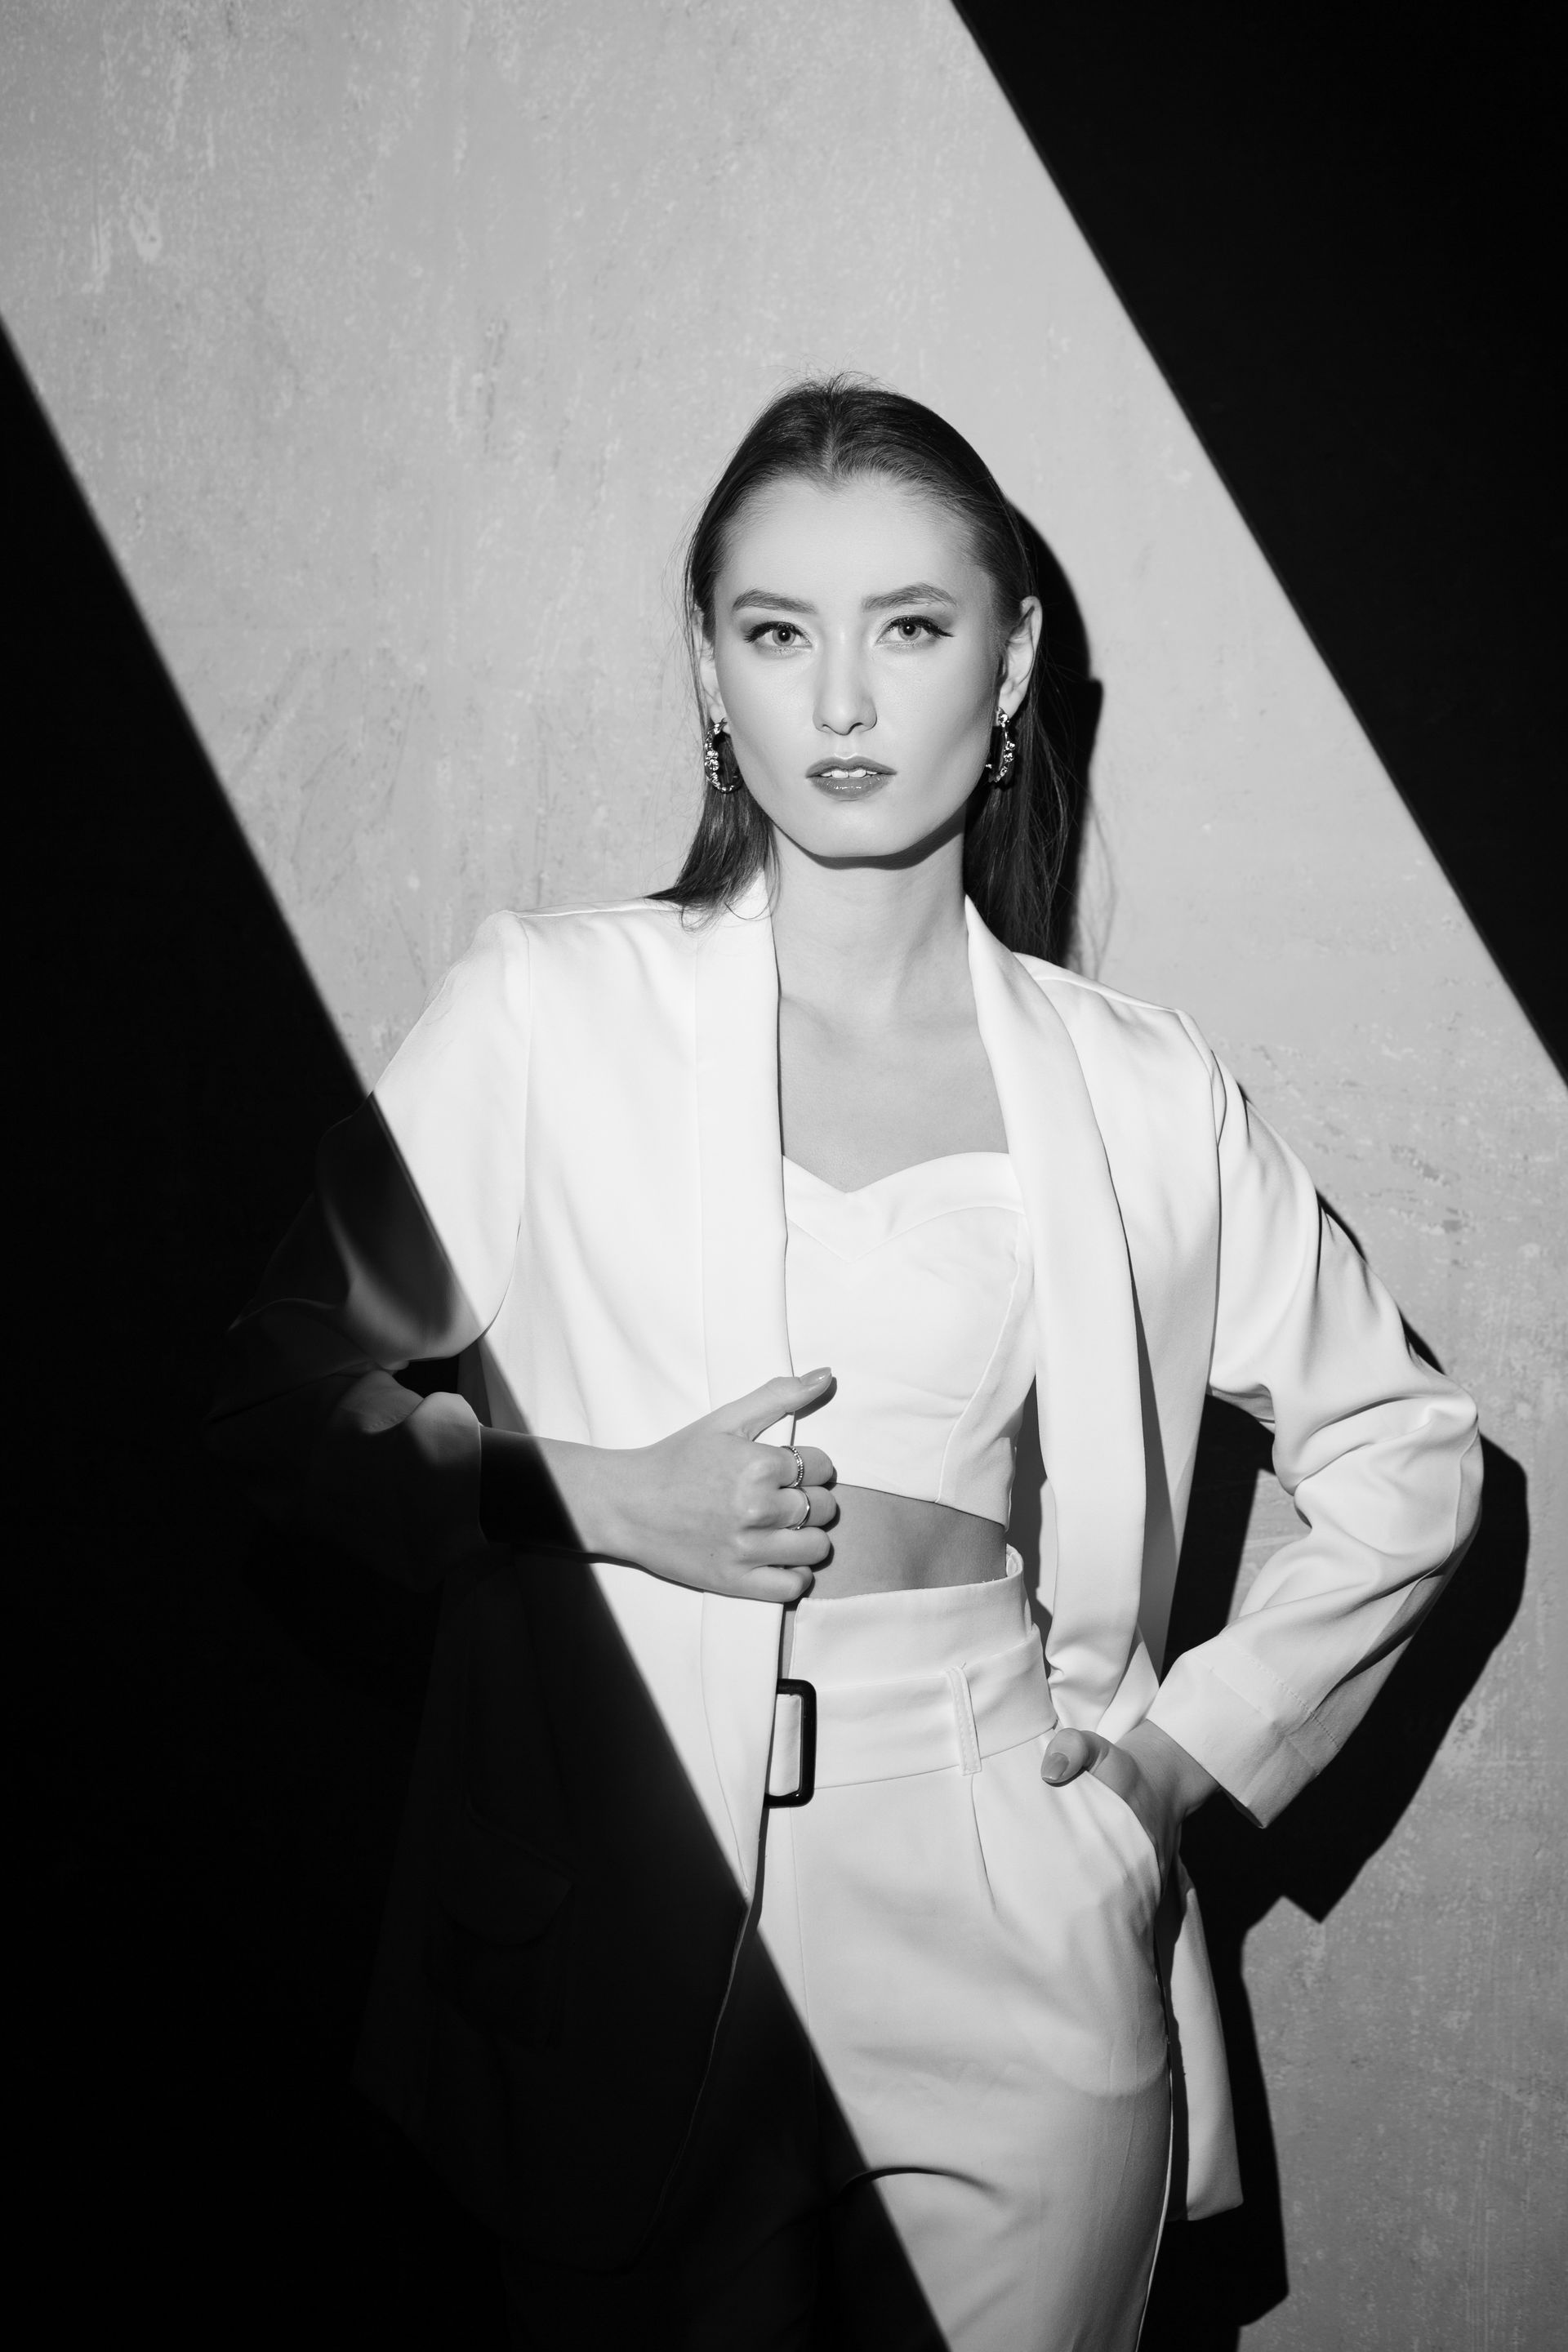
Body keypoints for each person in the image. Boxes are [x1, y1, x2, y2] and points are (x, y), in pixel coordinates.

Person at [208, 377, 1481, 2350]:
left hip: (1006, 1866)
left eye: (910, 626)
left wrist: (1164, 1780)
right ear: (709, 674)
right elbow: (273, 1397)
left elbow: (1410, 1451)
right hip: (619, 1883)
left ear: (1012, 662)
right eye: (778, 632)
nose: (845, 702)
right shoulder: (551, 1009)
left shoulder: (1137, 1083)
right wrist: (590, 1494)